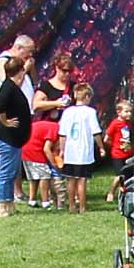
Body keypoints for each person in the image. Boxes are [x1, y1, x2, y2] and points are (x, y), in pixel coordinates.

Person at [0, 40, 34, 217]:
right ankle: (2, 204)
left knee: (12, 169)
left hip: (16, 137)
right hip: (7, 136)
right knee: (6, 171)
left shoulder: (13, 86)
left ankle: (9, 202)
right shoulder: (7, 87)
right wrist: (5, 121)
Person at [54, 78, 100, 215]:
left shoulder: (68, 112)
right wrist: (101, 146)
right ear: (87, 97)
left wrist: (62, 150)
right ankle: (83, 206)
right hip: (84, 152)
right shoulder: (90, 112)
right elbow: (95, 131)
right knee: (82, 180)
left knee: (71, 179)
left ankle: (71, 206)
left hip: (70, 151)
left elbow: (62, 134)